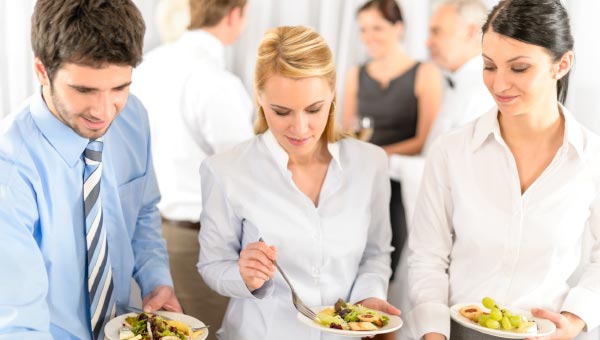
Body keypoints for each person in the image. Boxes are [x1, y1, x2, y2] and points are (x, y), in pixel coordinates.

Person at [407, 0, 600, 339]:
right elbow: (428, 258)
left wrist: (574, 319)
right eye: (489, 66)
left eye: (519, 68)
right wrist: (433, 334)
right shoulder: (452, 152)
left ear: (562, 64)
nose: (498, 85)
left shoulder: (592, 158)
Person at [198, 26, 400, 340]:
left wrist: (367, 298)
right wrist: (243, 276)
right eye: (282, 112)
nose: (300, 128)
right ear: (259, 97)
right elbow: (212, 265)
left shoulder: (370, 163)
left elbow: (375, 254)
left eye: (314, 109)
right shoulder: (225, 170)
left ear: (332, 93)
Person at [0, 1, 181, 339]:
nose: (103, 111)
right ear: (42, 71)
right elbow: (18, 325)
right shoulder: (9, 172)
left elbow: (142, 214)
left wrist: (157, 280)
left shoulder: (133, 119)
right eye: (84, 90)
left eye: (119, 88)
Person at [131, 0, 253, 332]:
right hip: (198, 247)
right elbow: (245, 176)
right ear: (234, 15)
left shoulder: (145, 66)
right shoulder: (216, 81)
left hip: (146, 237)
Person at [342, 0, 443, 282]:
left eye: (377, 27)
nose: (368, 36)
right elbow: (347, 132)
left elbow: (424, 140)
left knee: (386, 267)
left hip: (399, 183)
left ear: (399, 27)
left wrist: (379, 155)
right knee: (351, 265)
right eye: (363, 29)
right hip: (359, 180)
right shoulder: (355, 75)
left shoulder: (425, 73)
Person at [422, 0, 494, 152]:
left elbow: (454, 168)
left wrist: (385, 160)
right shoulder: (456, 84)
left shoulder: (483, 93)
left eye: (436, 31)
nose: (428, 43)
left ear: (470, 31)